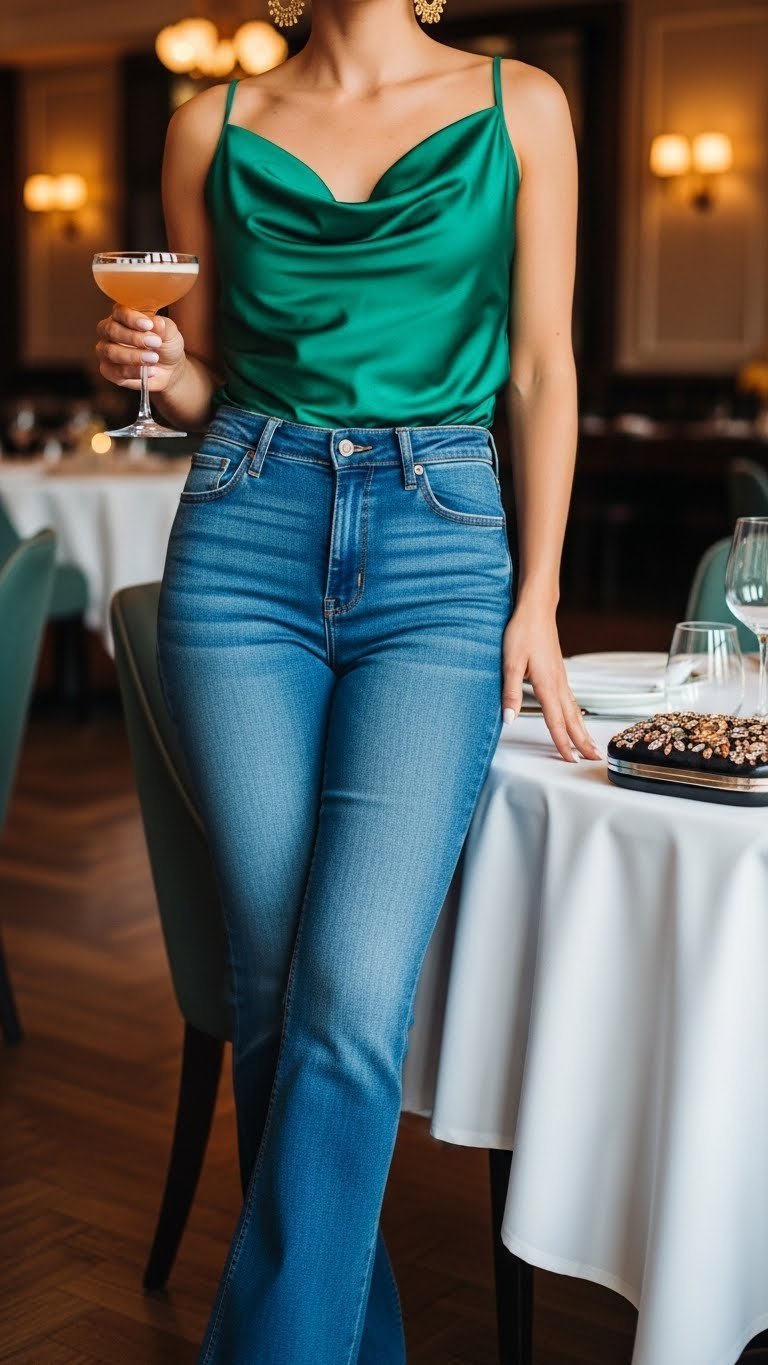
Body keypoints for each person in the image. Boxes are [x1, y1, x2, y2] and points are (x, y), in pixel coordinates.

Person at [95, 0, 602, 1357]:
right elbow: (213, 376)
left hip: (441, 554)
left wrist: (538, 593)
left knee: (347, 993)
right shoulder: (212, 125)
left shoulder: (522, 108)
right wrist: (156, 361)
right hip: (242, 536)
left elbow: (545, 369)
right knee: (271, 998)